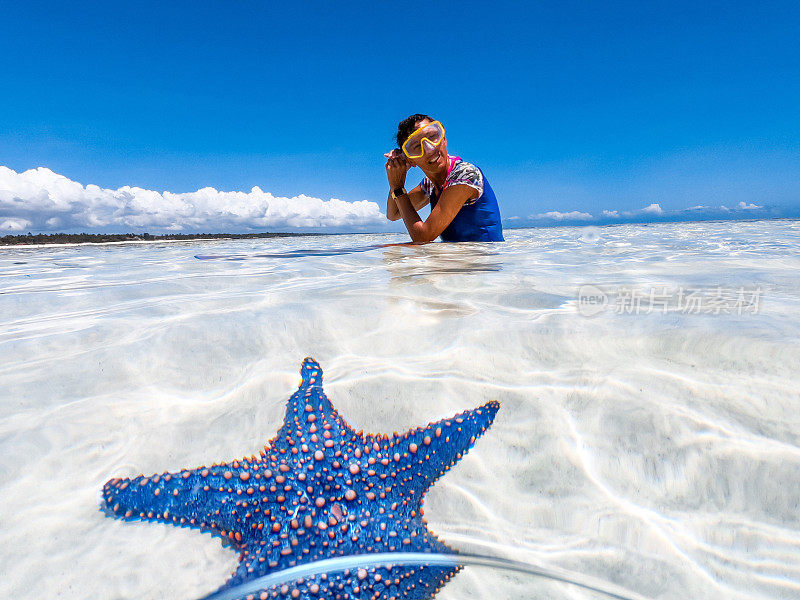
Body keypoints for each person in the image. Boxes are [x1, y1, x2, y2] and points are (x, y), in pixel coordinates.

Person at [385, 114, 504, 243]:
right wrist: (396, 178)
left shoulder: (465, 175)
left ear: (444, 139)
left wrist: (397, 187)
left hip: (485, 259)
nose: (430, 149)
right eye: (417, 147)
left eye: (432, 137)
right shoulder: (429, 184)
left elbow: (422, 237)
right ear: (410, 160)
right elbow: (394, 213)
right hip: (458, 258)